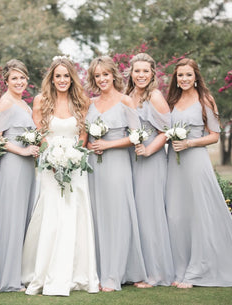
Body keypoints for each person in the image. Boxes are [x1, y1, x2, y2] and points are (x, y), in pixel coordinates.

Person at [165, 58, 232, 288]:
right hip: (173, 164)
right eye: (180, 75)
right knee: (175, 215)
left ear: (196, 77)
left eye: (188, 75)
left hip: (195, 160)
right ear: (176, 78)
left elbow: (214, 135)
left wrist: (190, 144)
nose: (184, 79)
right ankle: (180, 269)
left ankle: (196, 272)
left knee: (197, 215)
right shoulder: (172, 100)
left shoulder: (205, 100)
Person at [21, 56, 99, 296]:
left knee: (75, 215)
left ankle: (77, 273)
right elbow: (40, 134)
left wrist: (73, 156)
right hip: (50, 168)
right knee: (52, 215)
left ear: (72, 78)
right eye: (58, 76)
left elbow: (83, 135)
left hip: (76, 168)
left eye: (66, 76)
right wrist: (53, 158)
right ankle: (44, 273)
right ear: (51, 79)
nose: (62, 80)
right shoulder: (40, 101)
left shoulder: (82, 101)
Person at [85, 56, 146, 291]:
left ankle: (115, 274)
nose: (102, 79)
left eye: (105, 74)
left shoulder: (125, 101)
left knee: (119, 215)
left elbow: (137, 136)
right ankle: (100, 270)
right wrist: (90, 146)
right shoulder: (89, 103)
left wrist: (108, 145)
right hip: (94, 166)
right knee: (99, 216)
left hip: (118, 163)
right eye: (97, 76)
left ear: (114, 75)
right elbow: (85, 135)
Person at [125, 53, 174, 287]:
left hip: (150, 161)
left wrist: (149, 150)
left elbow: (167, 131)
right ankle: (140, 269)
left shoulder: (154, 96)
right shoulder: (128, 96)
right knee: (136, 215)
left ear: (153, 73)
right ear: (131, 73)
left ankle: (157, 274)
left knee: (150, 215)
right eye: (137, 71)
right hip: (130, 160)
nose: (141, 75)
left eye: (145, 71)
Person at [0, 59, 39, 292]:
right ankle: (7, 278)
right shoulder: (5, 102)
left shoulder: (24, 103)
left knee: (22, 218)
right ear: (6, 81)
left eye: (22, 78)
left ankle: (18, 272)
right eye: (14, 78)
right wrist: (21, 150)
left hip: (27, 167)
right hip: (12, 166)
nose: (19, 82)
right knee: (11, 219)